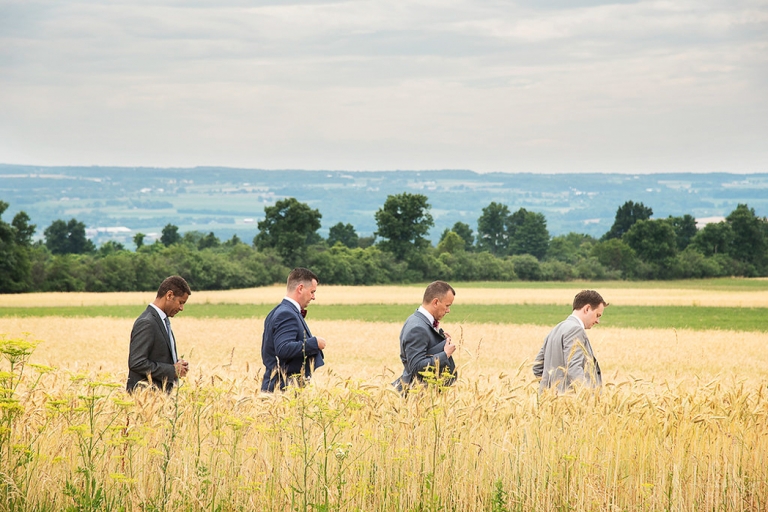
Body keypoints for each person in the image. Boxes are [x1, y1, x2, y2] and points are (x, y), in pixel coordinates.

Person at [260, 267, 326, 392]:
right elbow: (283, 348)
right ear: (300, 288)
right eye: (312, 292)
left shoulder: (278, 311)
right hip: (283, 390)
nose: (313, 297)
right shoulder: (286, 313)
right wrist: (314, 343)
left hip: (279, 388)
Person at [532, 289, 607, 393]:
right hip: (570, 402)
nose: (597, 321)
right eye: (597, 315)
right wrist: (585, 395)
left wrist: (551, 390)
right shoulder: (576, 330)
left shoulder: (555, 329)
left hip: (551, 404)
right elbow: (574, 368)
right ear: (587, 309)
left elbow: (537, 366)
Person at [127, 275, 191, 393]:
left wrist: (176, 364)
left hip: (160, 400)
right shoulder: (147, 322)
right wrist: (172, 370)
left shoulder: (162, 321)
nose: (181, 308)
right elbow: (136, 362)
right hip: (146, 399)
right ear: (169, 295)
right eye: (180, 302)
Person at [393, 280, 457, 393]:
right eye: (447, 306)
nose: (448, 310)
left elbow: (427, 350)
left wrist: (441, 341)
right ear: (436, 302)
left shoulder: (419, 320)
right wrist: (445, 353)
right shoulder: (417, 328)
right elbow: (416, 367)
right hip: (416, 396)